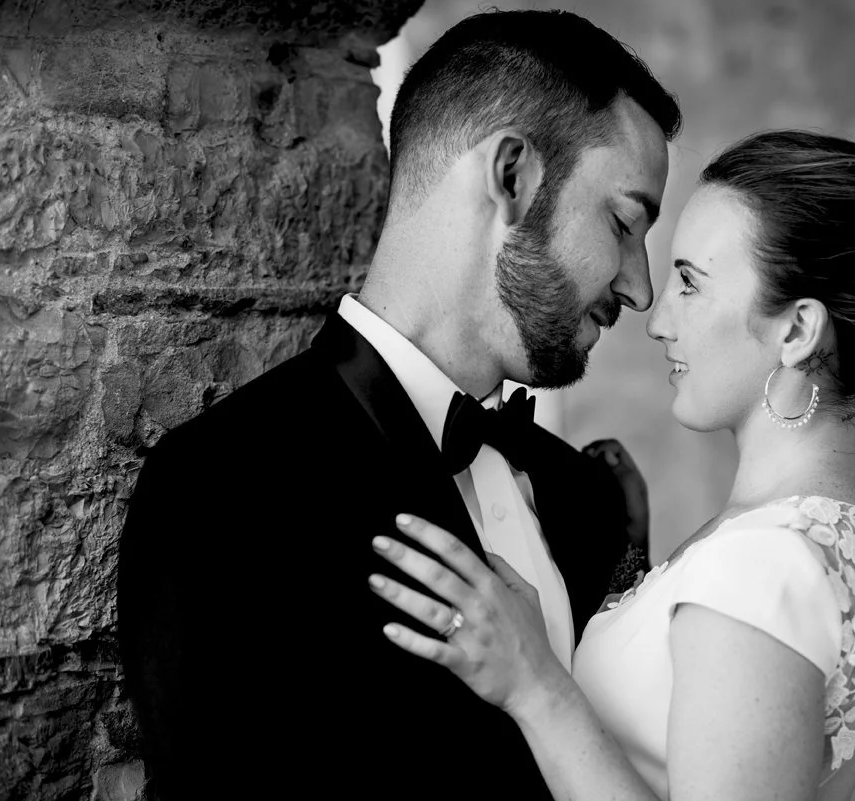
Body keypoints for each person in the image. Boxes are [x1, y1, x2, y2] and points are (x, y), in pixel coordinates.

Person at [115, 9, 681, 800]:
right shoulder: (218, 489)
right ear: (512, 175)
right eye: (623, 222)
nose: (639, 285)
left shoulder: (584, 498)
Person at [369, 130, 855, 801]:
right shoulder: (850, 519)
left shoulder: (762, 564)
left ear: (796, 331)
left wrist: (534, 685)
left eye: (690, 282)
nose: (656, 319)